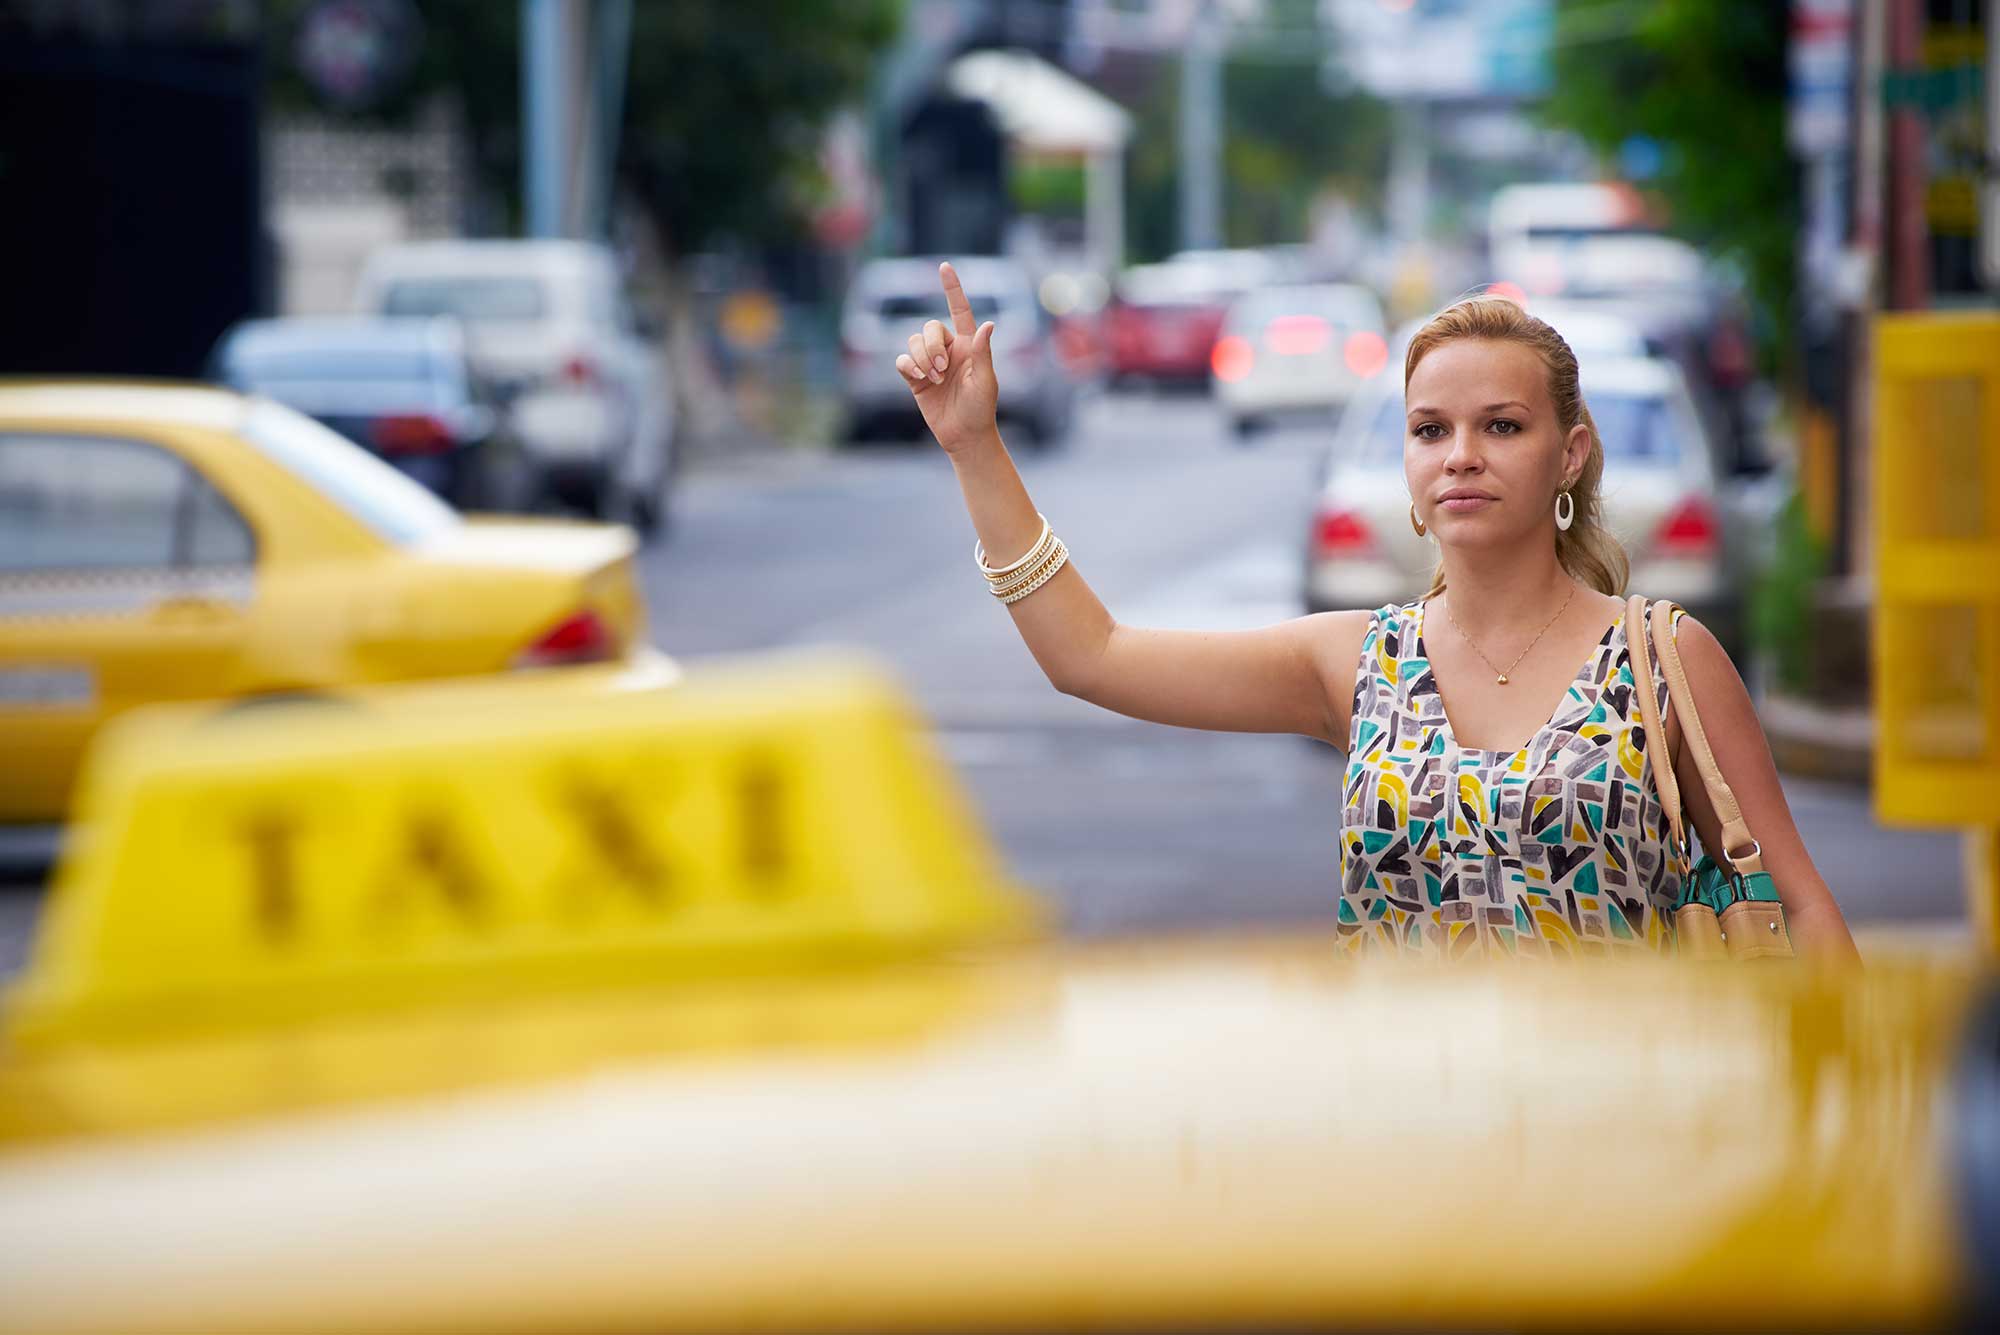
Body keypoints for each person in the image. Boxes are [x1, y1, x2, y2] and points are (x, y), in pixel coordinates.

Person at [896, 262, 1858, 961]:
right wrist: (976, 447)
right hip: (1406, 1164)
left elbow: (1802, 911)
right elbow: (1091, 654)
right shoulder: (1361, 661)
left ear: (1569, 454)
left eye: (1503, 427)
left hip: (1632, 1167)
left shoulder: (1662, 657)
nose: (1461, 454)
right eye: (1431, 429)